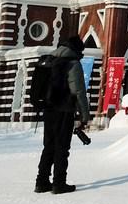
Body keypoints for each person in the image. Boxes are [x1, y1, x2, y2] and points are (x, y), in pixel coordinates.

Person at [35, 35, 91, 194]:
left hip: (49, 110)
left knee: (49, 146)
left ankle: (41, 182)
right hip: (64, 110)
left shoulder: (49, 61)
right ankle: (59, 183)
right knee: (62, 147)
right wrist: (84, 116)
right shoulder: (73, 64)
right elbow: (78, 92)